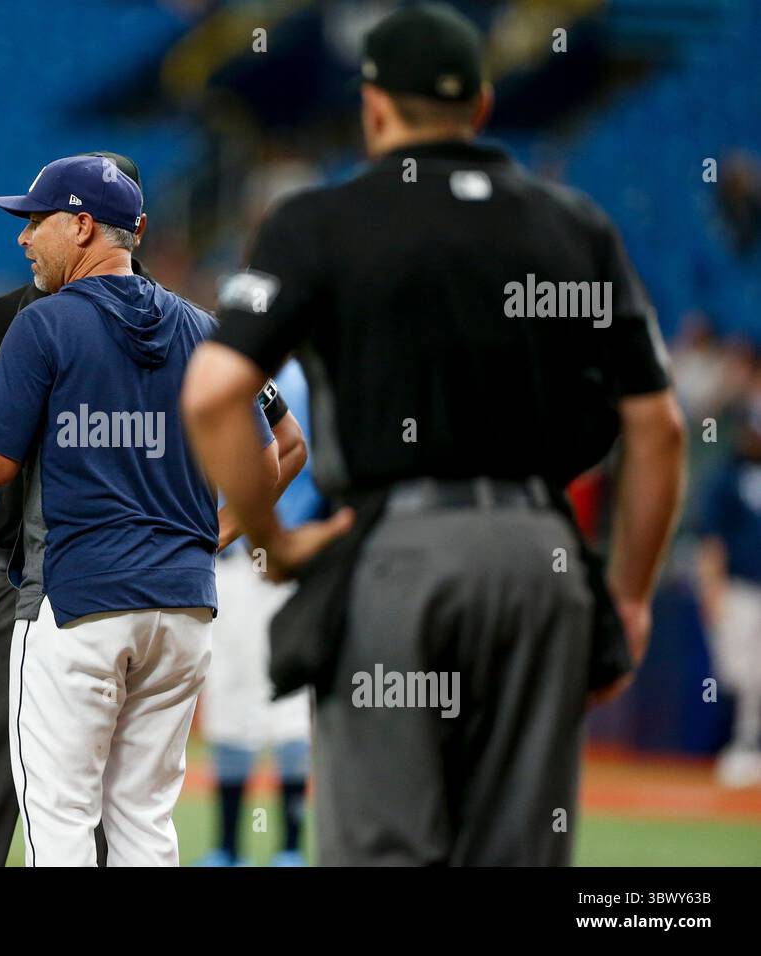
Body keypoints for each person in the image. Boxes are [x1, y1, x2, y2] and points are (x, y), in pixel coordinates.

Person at [181, 2, 686, 865]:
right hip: (540, 557)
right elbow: (661, 427)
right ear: (482, 105)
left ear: (374, 105)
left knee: (387, 847)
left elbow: (213, 394)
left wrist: (272, 540)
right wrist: (630, 595)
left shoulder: (319, 222)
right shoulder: (575, 226)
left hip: (396, 555)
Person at [0, 155, 280, 866]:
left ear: (82, 226)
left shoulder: (43, 324)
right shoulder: (203, 327)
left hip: (77, 602)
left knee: (61, 820)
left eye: (35, 221)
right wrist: (203, 543)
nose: (23, 239)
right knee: (144, 822)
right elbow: (265, 468)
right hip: (183, 610)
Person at [196, 360, 321, 868]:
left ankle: (272, 847)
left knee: (277, 704)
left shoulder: (278, 378)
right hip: (245, 559)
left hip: (273, 558)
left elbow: (312, 464)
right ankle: (246, 848)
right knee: (245, 702)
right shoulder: (250, 370)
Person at [696, 401, 761, 787]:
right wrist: (712, 589)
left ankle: (749, 746)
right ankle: (740, 744)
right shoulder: (724, 476)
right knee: (736, 672)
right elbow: (711, 540)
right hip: (738, 588)